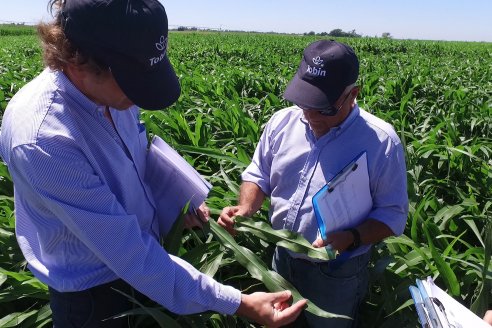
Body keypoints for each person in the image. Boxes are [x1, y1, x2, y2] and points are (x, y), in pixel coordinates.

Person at [0, 0, 306, 327]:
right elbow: (131, 255)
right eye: (134, 84)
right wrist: (240, 303)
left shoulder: (112, 94)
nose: (138, 98)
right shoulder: (44, 138)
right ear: (81, 62)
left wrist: (175, 201)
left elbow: (134, 158)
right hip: (96, 296)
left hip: (149, 263)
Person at [219, 40, 409, 327]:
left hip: (336, 272)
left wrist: (353, 237)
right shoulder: (281, 123)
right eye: (305, 103)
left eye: (325, 109)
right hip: (281, 259)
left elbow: (393, 214)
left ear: (353, 94)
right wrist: (246, 208)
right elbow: (258, 174)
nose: (311, 116)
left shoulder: (382, 142)